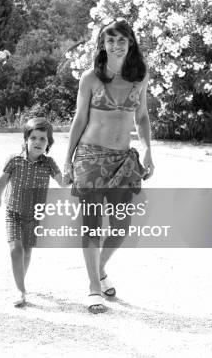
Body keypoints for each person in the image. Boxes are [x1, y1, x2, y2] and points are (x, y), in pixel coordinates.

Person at [63, 19, 154, 314]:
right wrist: (67, 159)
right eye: (110, 40)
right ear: (103, 44)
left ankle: (98, 269)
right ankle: (92, 288)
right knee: (91, 225)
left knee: (121, 226)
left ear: (130, 44)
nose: (115, 45)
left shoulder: (139, 77)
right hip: (90, 158)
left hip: (123, 159)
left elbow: (141, 117)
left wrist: (148, 150)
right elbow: (79, 119)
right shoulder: (91, 77)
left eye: (121, 40)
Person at [0, 117, 64, 307]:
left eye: (43, 139)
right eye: (34, 137)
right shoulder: (15, 160)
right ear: (26, 139)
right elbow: (3, 179)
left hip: (34, 216)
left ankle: (20, 281)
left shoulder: (49, 163)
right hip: (14, 213)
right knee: (15, 249)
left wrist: (76, 175)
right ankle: (20, 290)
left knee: (27, 251)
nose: (38, 142)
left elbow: (63, 181)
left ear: (48, 142)